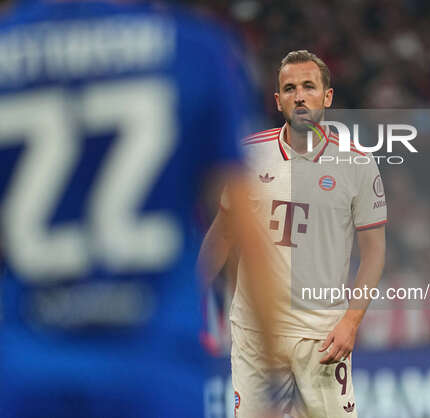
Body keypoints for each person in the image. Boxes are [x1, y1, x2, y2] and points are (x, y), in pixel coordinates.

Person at [0, 1, 276, 417]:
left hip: (24, 369)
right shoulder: (192, 50)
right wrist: (274, 383)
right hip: (154, 368)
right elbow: (245, 233)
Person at [199, 50, 387, 417]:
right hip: (255, 335)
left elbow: (374, 251)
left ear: (327, 96)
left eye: (308, 86)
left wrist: (350, 322)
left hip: (323, 338)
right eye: (289, 88)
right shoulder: (248, 156)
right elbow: (221, 236)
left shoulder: (358, 162)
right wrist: (190, 297)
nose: (299, 95)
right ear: (278, 100)